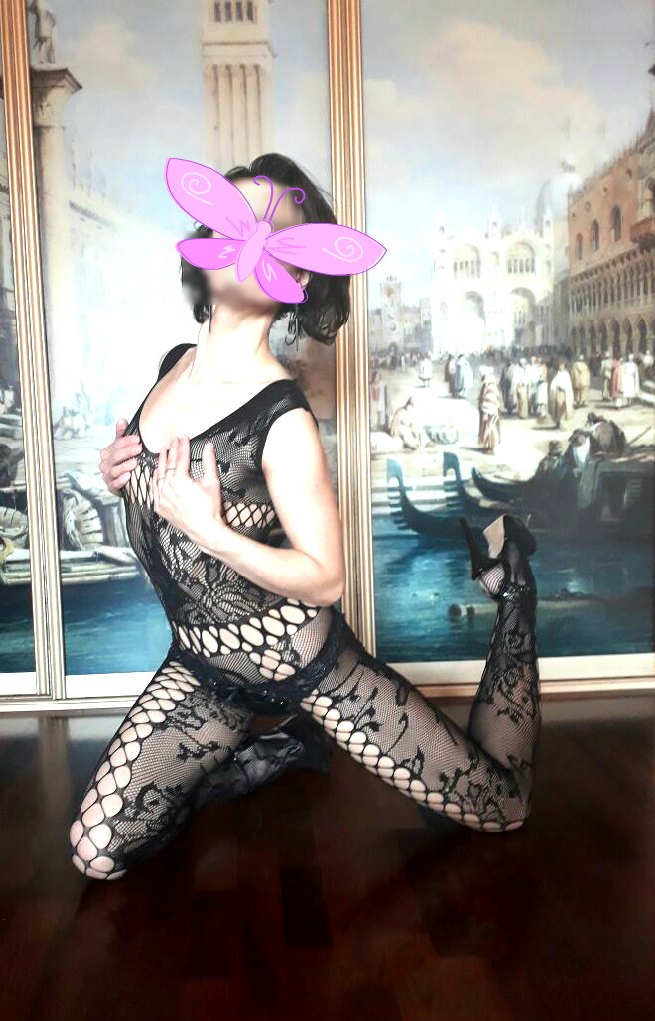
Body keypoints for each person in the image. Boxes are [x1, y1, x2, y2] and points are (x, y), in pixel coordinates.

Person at [73, 153, 542, 881]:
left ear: (296, 275)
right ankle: (276, 749)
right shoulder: (172, 367)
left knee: (502, 806)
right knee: (95, 851)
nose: (251, 233)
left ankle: (516, 591)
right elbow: (164, 507)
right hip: (202, 663)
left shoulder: (282, 415)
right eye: (236, 215)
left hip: (305, 661)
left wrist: (212, 531)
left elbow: (324, 578)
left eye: (275, 229)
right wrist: (120, 477)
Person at [477, 365, 501, 453]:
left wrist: (485, 409)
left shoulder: (489, 383)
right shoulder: (489, 382)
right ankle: (488, 445)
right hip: (489, 408)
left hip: (489, 409)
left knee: (490, 428)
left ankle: (491, 447)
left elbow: (488, 397)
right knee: (488, 427)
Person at [548, 360, 573, 428]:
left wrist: (563, 387)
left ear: (564, 366)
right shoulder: (556, 374)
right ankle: (557, 422)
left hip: (563, 392)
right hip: (557, 392)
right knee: (557, 407)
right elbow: (554, 382)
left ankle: (562, 422)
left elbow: (567, 384)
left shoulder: (566, 374)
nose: (561, 367)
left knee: (562, 407)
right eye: (560, 365)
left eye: (562, 365)